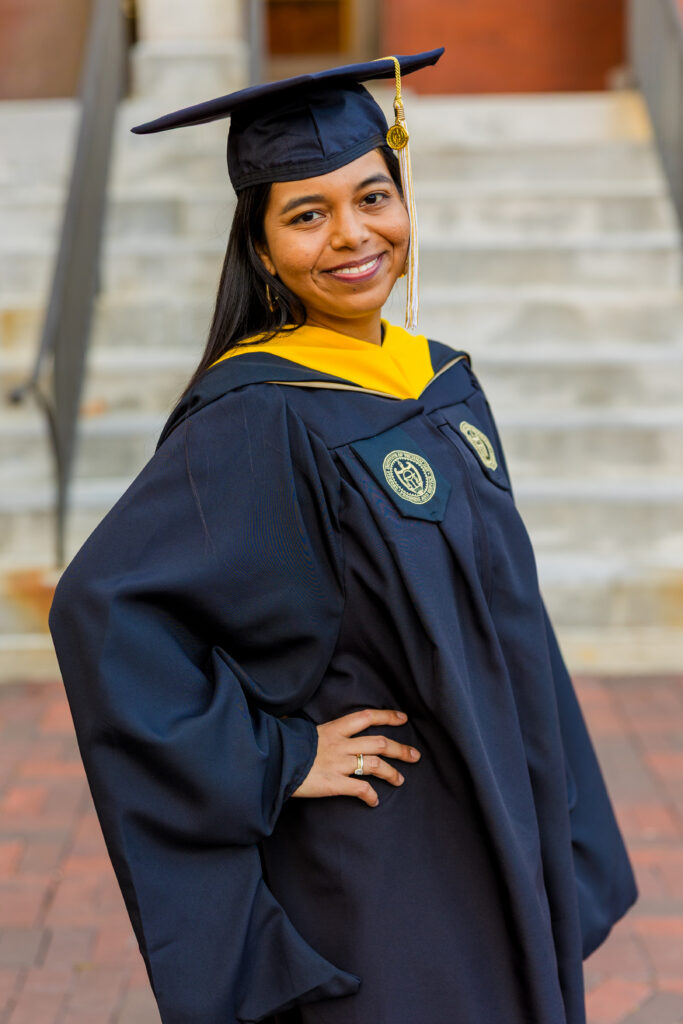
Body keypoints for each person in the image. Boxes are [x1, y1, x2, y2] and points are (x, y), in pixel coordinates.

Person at [48, 48, 638, 1024]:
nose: (352, 235)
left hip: (492, 805)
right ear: (262, 246)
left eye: (372, 197)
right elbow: (103, 607)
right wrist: (278, 757)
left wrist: (554, 808)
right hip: (382, 849)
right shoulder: (262, 412)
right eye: (306, 213)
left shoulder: (438, 378)